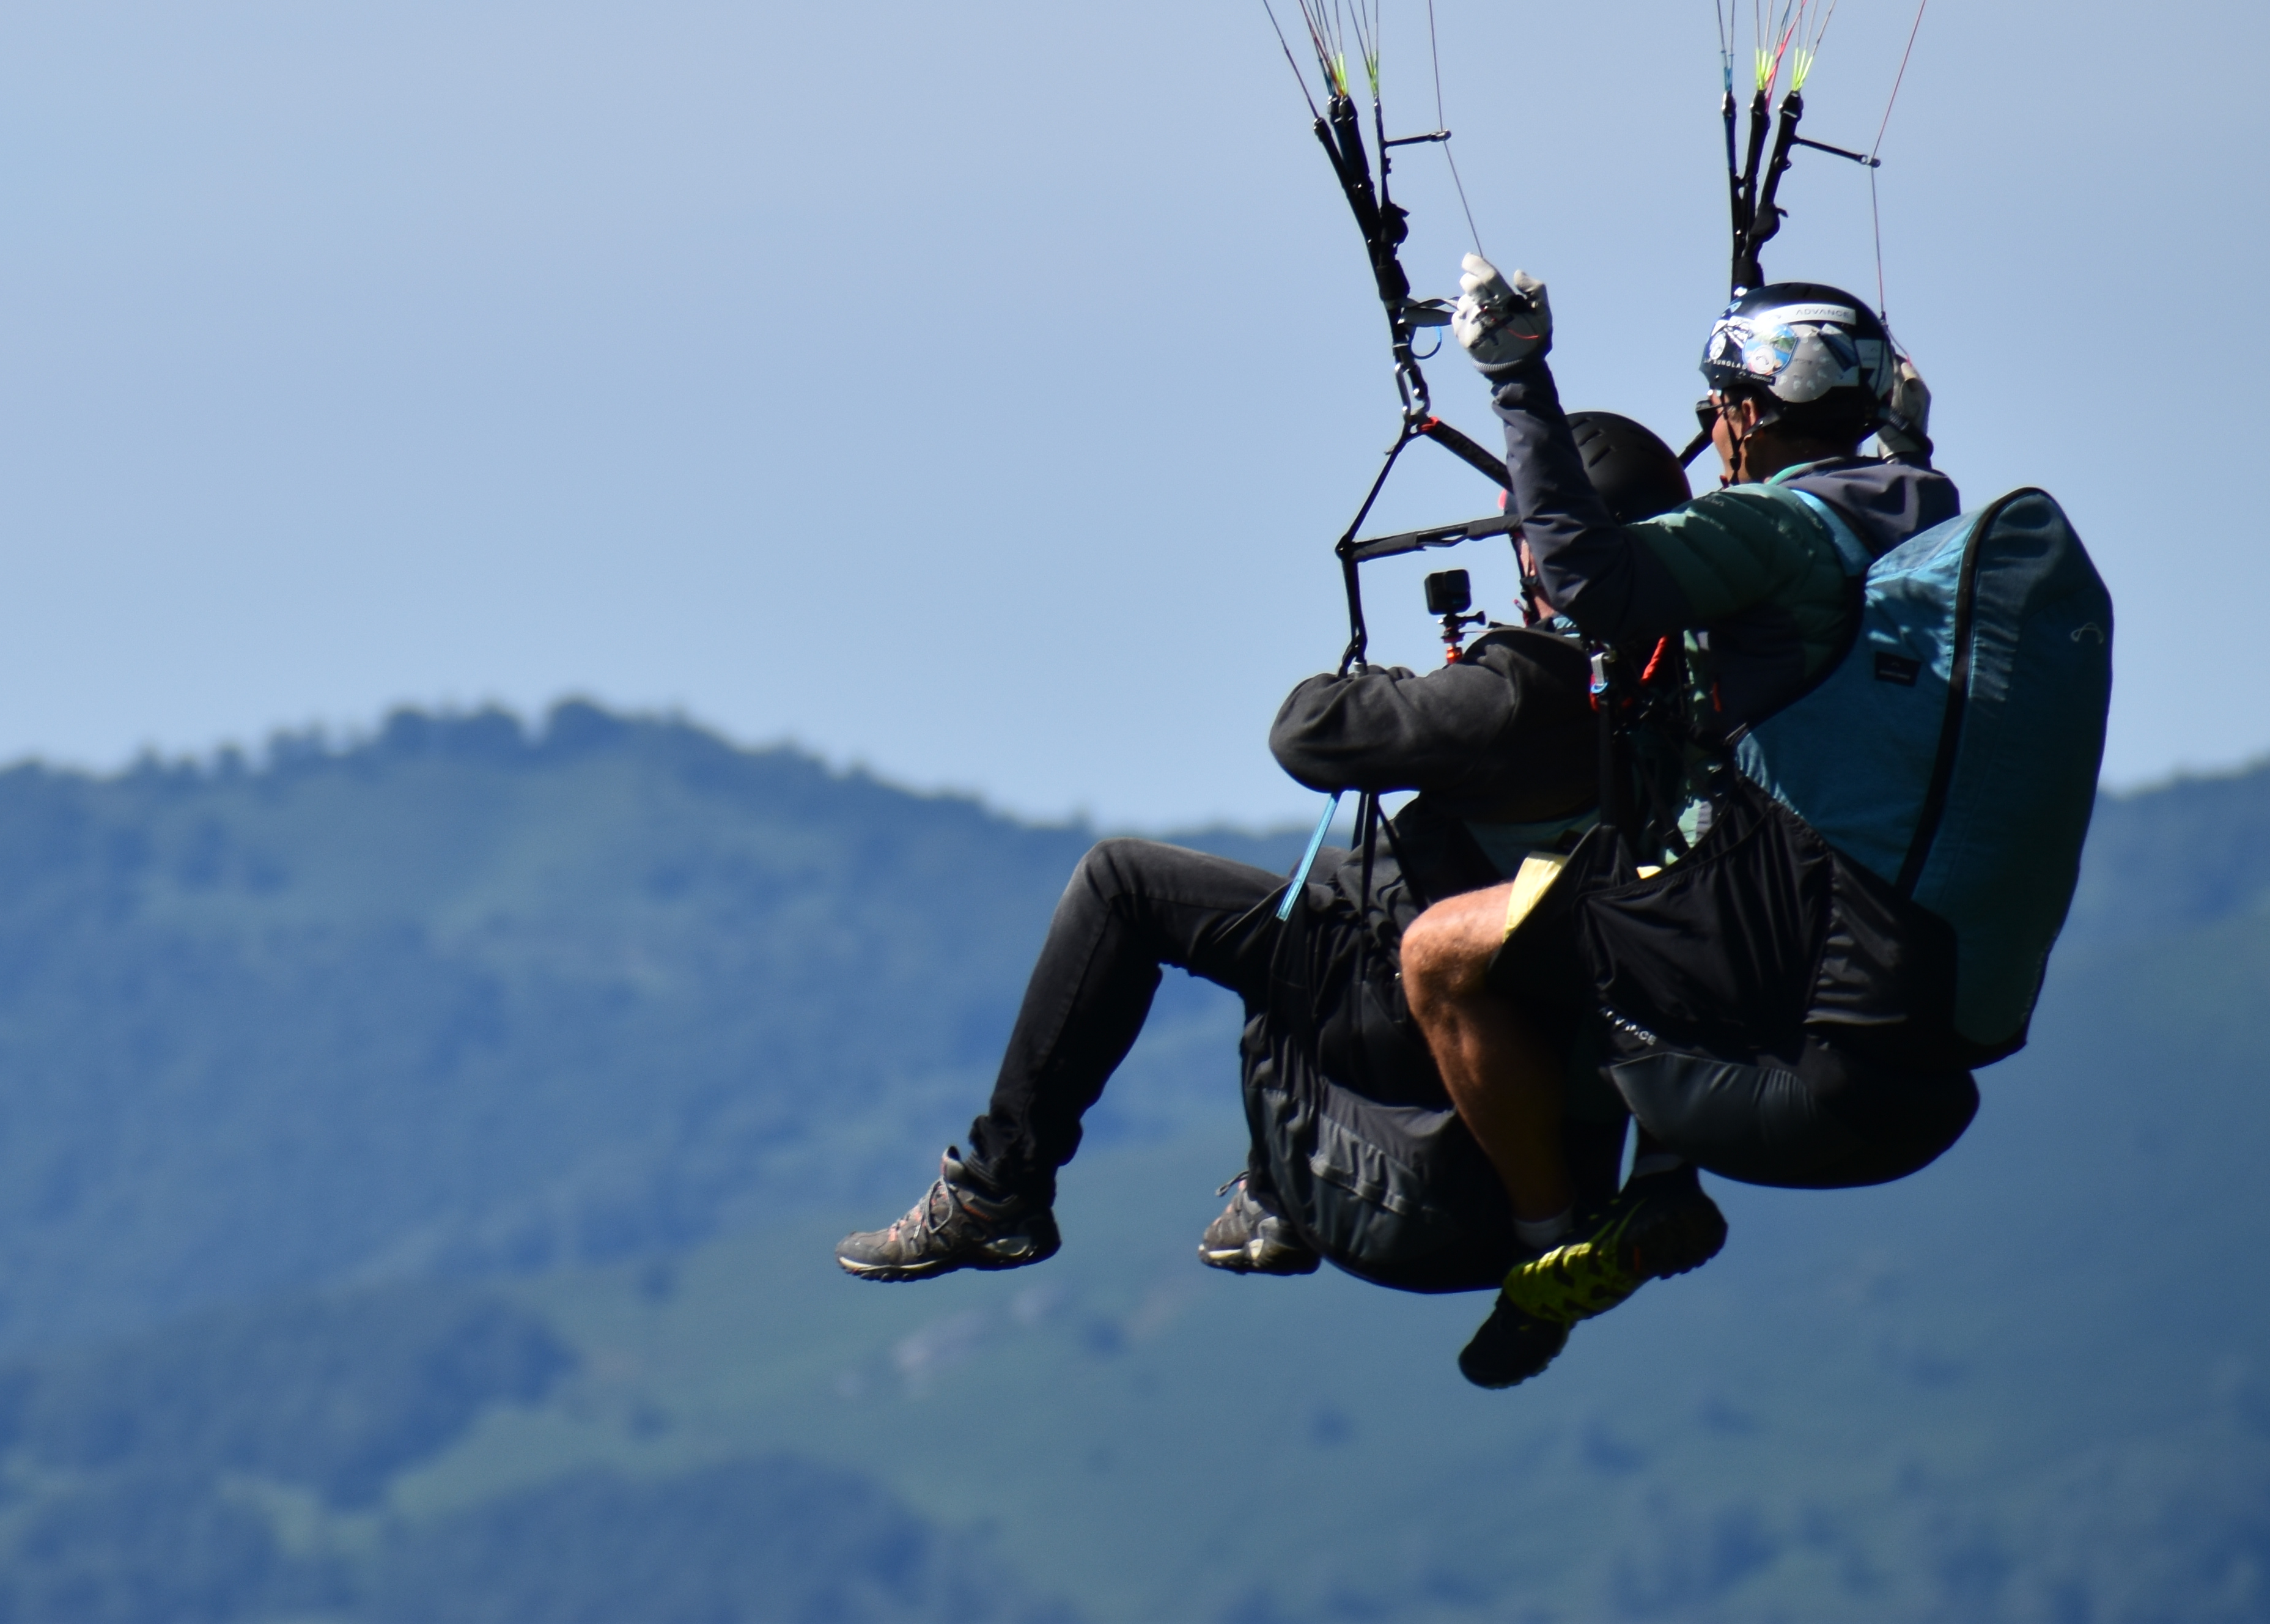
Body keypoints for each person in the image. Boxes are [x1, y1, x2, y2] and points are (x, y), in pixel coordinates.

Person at [831, 415, 1690, 1291]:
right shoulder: (1688, 687)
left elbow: (1307, 732)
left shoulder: (1525, 688)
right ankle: (1275, 1192)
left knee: (1123, 883)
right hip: (1557, 1018)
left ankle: (997, 1191)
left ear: (1544, 554)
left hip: (1423, 1002)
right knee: (1313, 892)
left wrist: (1395, 684)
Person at [1404, 265, 1958, 1387]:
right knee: (1662, 844)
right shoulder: (1927, 514)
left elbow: (1588, 578)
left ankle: (1547, 1237)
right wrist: (1901, 439)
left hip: (1758, 920)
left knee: (1441, 952)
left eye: (1718, 406)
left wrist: (1517, 379)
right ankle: (1660, 1180)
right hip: (1876, 924)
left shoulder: (1776, 526)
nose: (1713, 426)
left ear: (1749, 413)